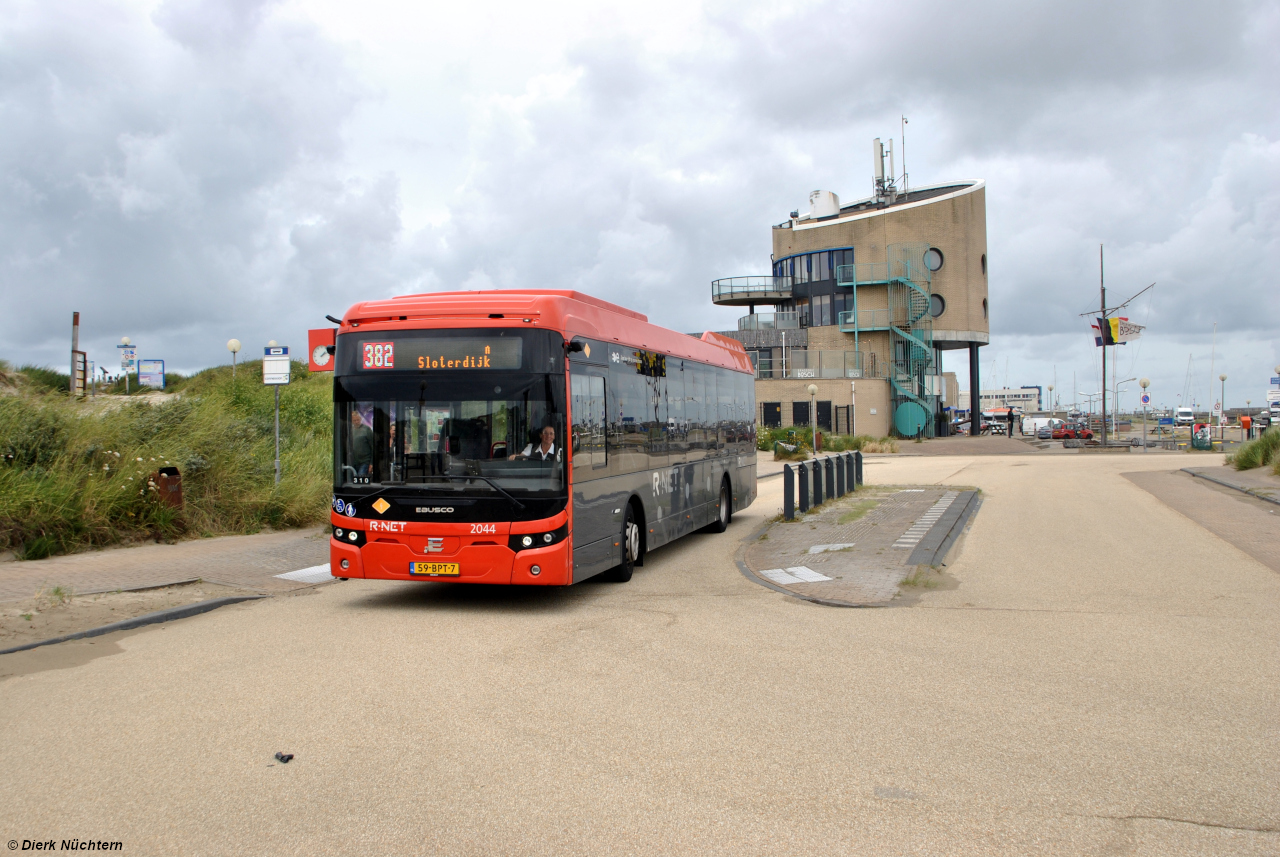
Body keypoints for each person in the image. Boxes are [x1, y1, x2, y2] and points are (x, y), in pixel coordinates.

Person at [350, 409, 376, 476]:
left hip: (365, 461)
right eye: (354, 420)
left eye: (357, 420)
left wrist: (371, 463)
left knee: (360, 479)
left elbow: (373, 446)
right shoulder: (350, 431)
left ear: (360, 419)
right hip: (353, 462)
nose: (356, 422)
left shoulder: (366, 429)